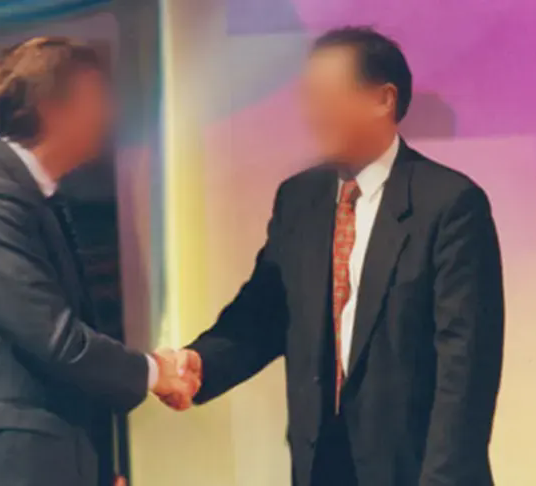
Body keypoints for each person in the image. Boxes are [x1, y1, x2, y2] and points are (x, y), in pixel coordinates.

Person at [162, 27, 504, 486]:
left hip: (415, 470)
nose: (311, 112)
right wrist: (202, 364)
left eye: (328, 95)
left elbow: (466, 369)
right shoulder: (298, 199)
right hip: (321, 466)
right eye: (308, 97)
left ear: (383, 99)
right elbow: (262, 315)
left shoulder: (449, 204)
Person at [0, 38, 201, 486]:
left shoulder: (31, 196)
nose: (108, 114)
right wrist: (154, 372)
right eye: (96, 99)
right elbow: (58, 341)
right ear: (54, 109)